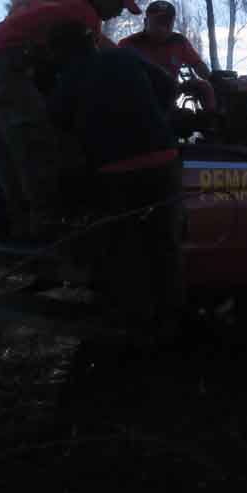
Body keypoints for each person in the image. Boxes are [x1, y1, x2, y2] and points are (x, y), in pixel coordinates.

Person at [0, 0, 141, 238]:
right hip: (4, 73)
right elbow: (89, 68)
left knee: (9, 157)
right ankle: (48, 232)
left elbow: (102, 48)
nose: (119, 12)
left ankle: (19, 230)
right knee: (39, 150)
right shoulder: (84, 14)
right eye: (119, 4)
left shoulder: (67, 6)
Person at [46, 21, 184, 337]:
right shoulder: (124, 57)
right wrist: (152, 117)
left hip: (116, 172)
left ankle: (130, 328)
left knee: (124, 250)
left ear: (59, 53)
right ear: (91, 41)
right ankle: (169, 324)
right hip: (163, 161)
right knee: (164, 245)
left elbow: (57, 122)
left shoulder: (69, 77)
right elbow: (168, 86)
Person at [118, 0, 215, 110]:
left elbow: (198, 65)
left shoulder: (179, 41)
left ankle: (212, 121)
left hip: (169, 99)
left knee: (205, 86)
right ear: (146, 22)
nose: (162, 28)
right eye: (157, 22)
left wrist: (213, 80)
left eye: (167, 23)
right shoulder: (128, 44)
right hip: (137, 102)